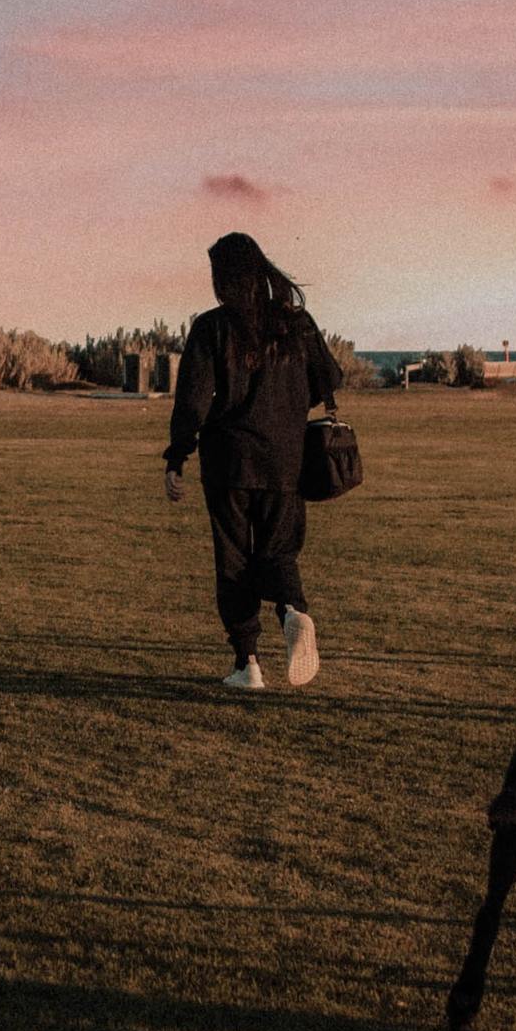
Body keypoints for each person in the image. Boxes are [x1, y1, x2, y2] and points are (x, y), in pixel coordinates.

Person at [161, 231, 340, 692]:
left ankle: (248, 664)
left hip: (228, 464)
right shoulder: (296, 324)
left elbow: (193, 401)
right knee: (279, 550)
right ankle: (292, 612)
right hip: (287, 460)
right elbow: (329, 379)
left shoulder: (212, 327)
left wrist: (178, 455)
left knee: (234, 560)